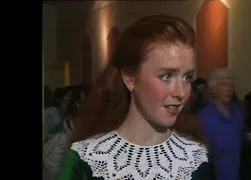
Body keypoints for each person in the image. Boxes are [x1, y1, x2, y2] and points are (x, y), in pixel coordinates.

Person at [59, 14, 215, 180]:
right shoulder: (84, 160)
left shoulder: (196, 159)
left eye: (187, 78)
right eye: (167, 76)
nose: (181, 93)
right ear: (130, 78)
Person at [198, 68, 251, 180]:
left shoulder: (237, 111)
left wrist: (248, 138)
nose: (229, 89)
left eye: (231, 86)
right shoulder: (204, 116)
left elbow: (240, 138)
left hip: (240, 171)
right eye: (224, 85)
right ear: (214, 89)